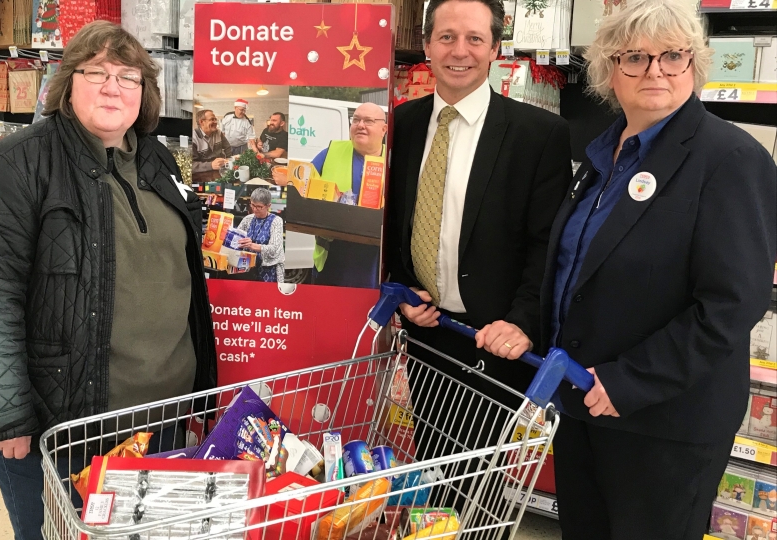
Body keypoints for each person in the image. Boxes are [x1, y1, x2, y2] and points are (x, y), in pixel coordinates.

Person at [0, 21, 217, 540]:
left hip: (161, 417)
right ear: (66, 85)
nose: (113, 86)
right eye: (96, 72)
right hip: (65, 423)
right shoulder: (17, 163)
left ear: (146, 92)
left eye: (128, 76)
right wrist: (5, 414)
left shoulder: (158, 159)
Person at [538, 0, 776, 538]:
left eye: (673, 55)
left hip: (663, 423)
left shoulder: (729, 159)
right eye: (635, 58)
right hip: (583, 407)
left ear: (695, 63)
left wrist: (628, 381)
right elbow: (576, 268)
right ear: (608, 70)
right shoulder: (603, 154)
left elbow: (731, 303)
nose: (656, 71)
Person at [386, 0, 572, 406]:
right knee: (435, 456)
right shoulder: (400, 124)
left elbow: (549, 244)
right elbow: (395, 221)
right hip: (426, 333)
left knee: (489, 467)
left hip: (499, 342)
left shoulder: (539, 135)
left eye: (475, 39)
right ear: (427, 45)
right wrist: (403, 291)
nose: (459, 51)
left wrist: (523, 323)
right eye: (447, 37)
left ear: (494, 49)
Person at [310, 102, 387, 289]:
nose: (360, 125)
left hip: (377, 260)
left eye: (368, 121)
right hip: (332, 257)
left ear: (384, 129)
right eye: (356, 120)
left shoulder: (396, 159)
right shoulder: (330, 153)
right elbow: (302, 187)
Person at [237, 188, 285, 283]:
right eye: (253, 205)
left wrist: (252, 246)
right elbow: (236, 238)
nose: (254, 209)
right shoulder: (247, 219)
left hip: (268, 269)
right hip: (246, 268)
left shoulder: (276, 221)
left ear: (268, 206)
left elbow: (275, 249)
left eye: (259, 207)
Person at [192, 108, 232, 183]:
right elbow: (191, 165)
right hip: (201, 177)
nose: (215, 122)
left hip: (220, 172)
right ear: (201, 122)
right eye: (212, 119)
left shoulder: (218, 133)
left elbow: (227, 147)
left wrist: (229, 160)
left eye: (215, 119)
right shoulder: (193, 138)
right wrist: (211, 165)